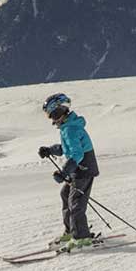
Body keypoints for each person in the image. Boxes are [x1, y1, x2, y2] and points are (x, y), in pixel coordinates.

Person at [36, 92, 100, 250]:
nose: (52, 120)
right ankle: (72, 231)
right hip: (77, 170)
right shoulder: (68, 127)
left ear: (60, 112)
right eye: (50, 116)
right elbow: (67, 149)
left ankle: (82, 238)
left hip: (83, 170)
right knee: (65, 195)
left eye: (53, 115)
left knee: (76, 203)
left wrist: (64, 173)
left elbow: (77, 154)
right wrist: (50, 150)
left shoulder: (70, 129)